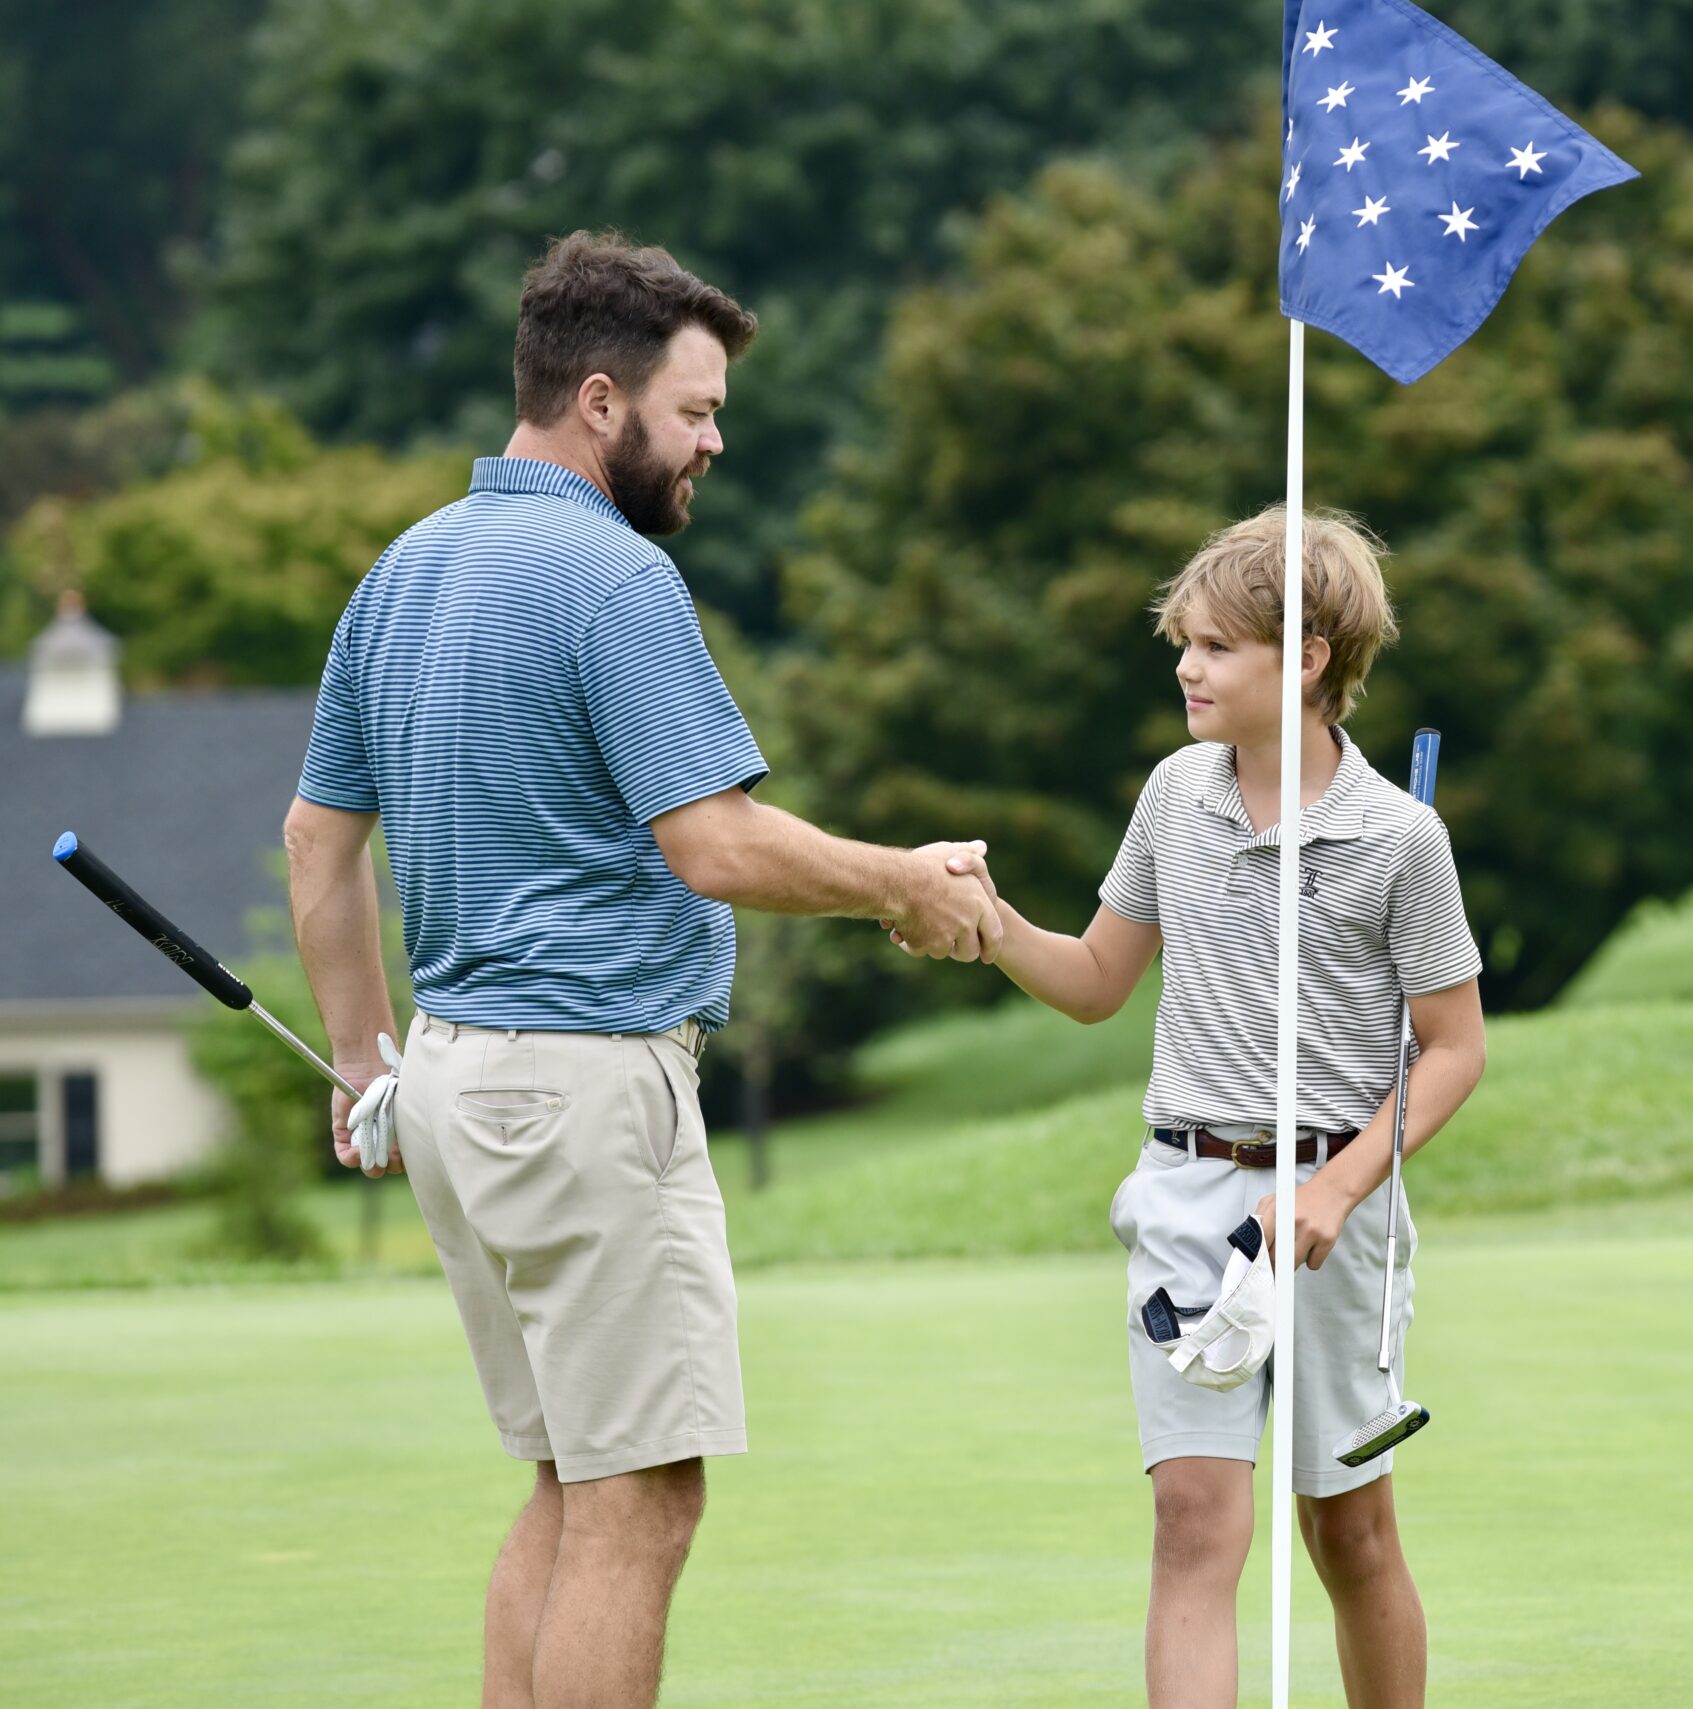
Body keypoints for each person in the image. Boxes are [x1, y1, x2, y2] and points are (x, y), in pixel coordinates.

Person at [284, 229, 1000, 1709]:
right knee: (639, 1503)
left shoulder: (406, 567)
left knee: (566, 1486)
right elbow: (717, 846)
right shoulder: (615, 580)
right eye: (697, 411)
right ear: (599, 403)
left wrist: (365, 1063)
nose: (714, 441)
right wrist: (900, 886)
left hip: (455, 1080)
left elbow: (314, 843)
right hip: (585, 1087)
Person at [900, 507, 1487, 1709]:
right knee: (1192, 1520)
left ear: (1307, 657)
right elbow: (1099, 980)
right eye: (1185, 643)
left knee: (1350, 1533)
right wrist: (991, 921)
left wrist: (1334, 1187)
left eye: (1216, 646)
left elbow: (1452, 1048)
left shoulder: (1399, 838)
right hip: (1186, 1197)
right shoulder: (1176, 794)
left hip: (1336, 1212)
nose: (1185, 666)